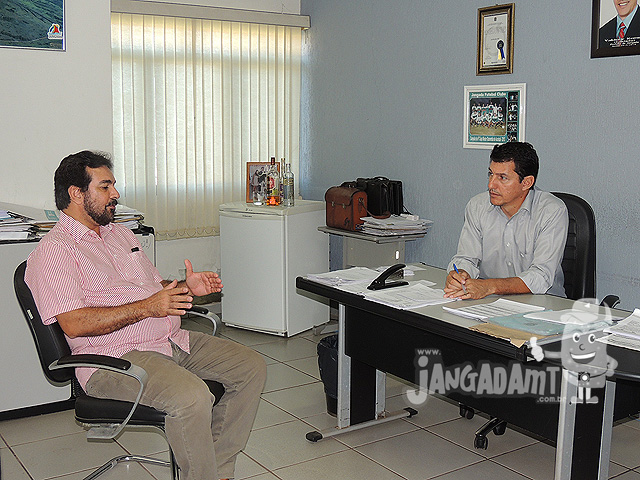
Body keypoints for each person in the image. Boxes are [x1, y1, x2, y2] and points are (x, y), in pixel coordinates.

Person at [25, 150, 266, 480]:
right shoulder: (55, 251)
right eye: (105, 186)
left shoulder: (121, 234)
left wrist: (185, 286)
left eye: (114, 185)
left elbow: (152, 290)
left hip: (169, 340)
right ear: (77, 194)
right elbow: (74, 323)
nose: (116, 194)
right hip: (113, 357)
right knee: (193, 397)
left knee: (251, 367)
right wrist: (148, 307)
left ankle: (216, 469)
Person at [444, 142, 568, 300]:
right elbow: (466, 258)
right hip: (489, 301)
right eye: (491, 174)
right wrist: (460, 274)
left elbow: (541, 276)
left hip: (541, 305)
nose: (491, 185)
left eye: (502, 178)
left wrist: (490, 286)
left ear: (526, 183)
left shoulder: (551, 211)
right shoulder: (477, 206)